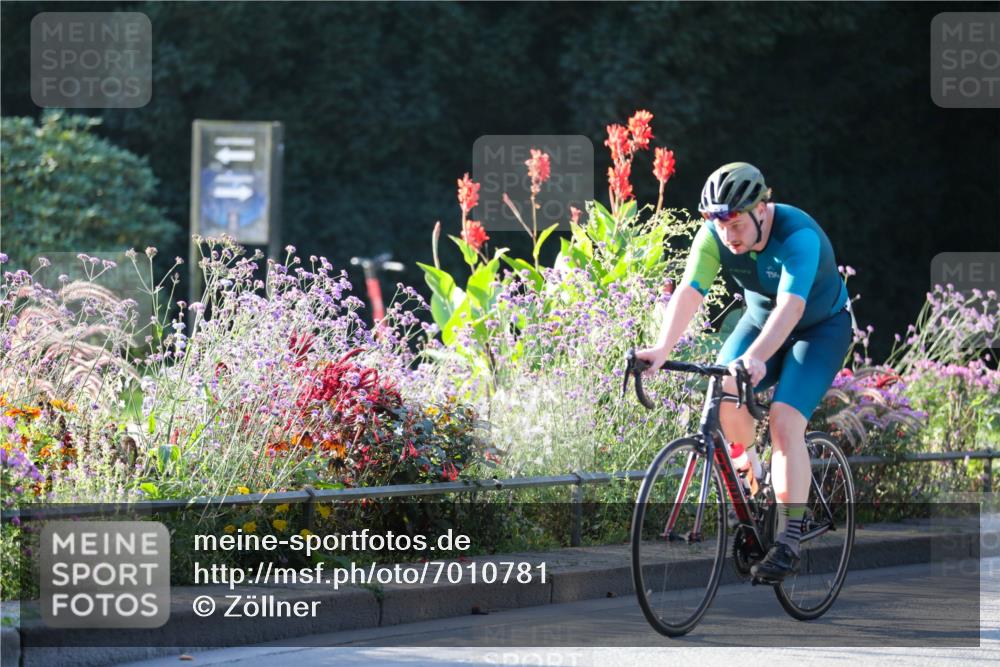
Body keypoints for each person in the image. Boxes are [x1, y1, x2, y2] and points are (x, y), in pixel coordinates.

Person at [635, 162, 855, 582]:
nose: (728, 235)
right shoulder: (714, 236)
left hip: (819, 328)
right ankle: (755, 479)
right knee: (724, 389)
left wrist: (756, 357)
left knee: (784, 421)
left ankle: (789, 536)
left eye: (735, 224)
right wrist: (662, 349)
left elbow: (792, 308)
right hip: (758, 321)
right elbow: (689, 291)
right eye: (719, 226)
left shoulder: (798, 235)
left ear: (761, 209)